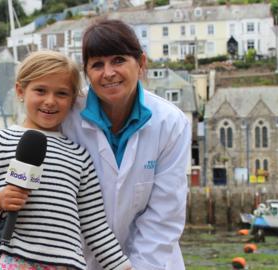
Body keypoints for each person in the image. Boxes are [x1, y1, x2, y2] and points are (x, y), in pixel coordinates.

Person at [0, 51, 132, 270]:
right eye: (40, 90)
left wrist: (124, 267)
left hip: (67, 265)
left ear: (73, 100)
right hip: (13, 260)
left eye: (61, 93)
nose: (50, 101)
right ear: (20, 90)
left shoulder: (79, 156)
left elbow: (96, 228)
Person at [61, 19, 191, 270]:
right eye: (97, 64)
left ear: (141, 63)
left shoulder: (170, 123)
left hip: (150, 262)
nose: (108, 73)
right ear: (86, 72)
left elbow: (163, 217)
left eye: (118, 60)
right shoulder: (68, 119)